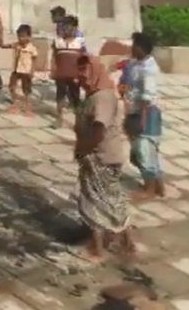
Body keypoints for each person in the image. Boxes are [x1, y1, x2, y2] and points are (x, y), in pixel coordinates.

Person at [74, 55, 133, 261]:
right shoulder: (98, 95)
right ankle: (127, 242)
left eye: (84, 69)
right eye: (79, 69)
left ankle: (97, 247)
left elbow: (99, 129)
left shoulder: (102, 97)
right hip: (106, 154)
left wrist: (84, 150)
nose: (80, 75)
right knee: (112, 199)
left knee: (94, 200)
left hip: (100, 156)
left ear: (95, 71)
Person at [124, 32, 165, 201]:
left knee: (144, 150)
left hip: (146, 113)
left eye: (134, 45)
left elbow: (146, 98)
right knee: (142, 152)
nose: (131, 48)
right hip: (136, 111)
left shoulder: (148, 70)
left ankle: (149, 189)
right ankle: (158, 185)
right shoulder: (136, 64)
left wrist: (142, 120)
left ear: (141, 48)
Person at [51, 16, 86, 127]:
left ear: (75, 28)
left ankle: (78, 121)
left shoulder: (80, 42)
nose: (67, 30)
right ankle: (59, 119)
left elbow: (83, 58)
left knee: (75, 97)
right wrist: (52, 69)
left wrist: (83, 72)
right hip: (61, 74)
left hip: (75, 75)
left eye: (70, 27)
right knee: (60, 96)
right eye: (65, 27)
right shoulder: (57, 42)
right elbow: (53, 57)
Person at [2, 24, 38, 115]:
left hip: (26, 71)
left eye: (23, 36)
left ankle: (27, 105)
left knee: (26, 89)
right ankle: (15, 103)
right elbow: (6, 46)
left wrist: (32, 71)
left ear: (29, 37)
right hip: (16, 69)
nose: (20, 39)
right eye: (19, 36)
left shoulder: (32, 48)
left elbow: (34, 60)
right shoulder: (16, 45)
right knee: (12, 86)